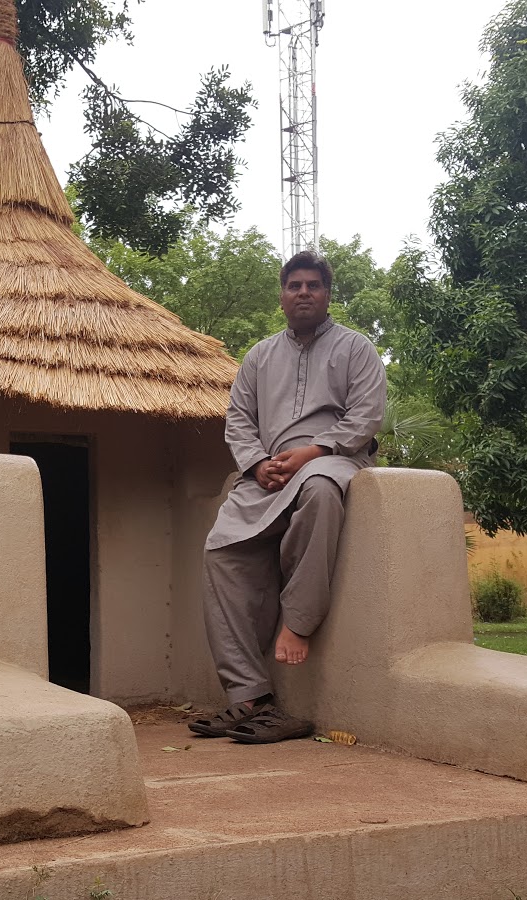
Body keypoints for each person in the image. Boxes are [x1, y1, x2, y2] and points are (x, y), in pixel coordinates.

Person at [190, 250, 386, 744]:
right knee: (221, 550)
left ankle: (297, 623)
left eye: (313, 286)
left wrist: (313, 452)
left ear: (327, 294)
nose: (303, 293)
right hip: (268, 473)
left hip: (335, 458)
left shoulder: (356, 348)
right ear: (281, 296)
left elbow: (366, 416)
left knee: (320, 490)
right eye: (294, 285)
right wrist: (258, 464)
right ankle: (250, 697)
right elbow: (238, 420)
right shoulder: (259, 357)